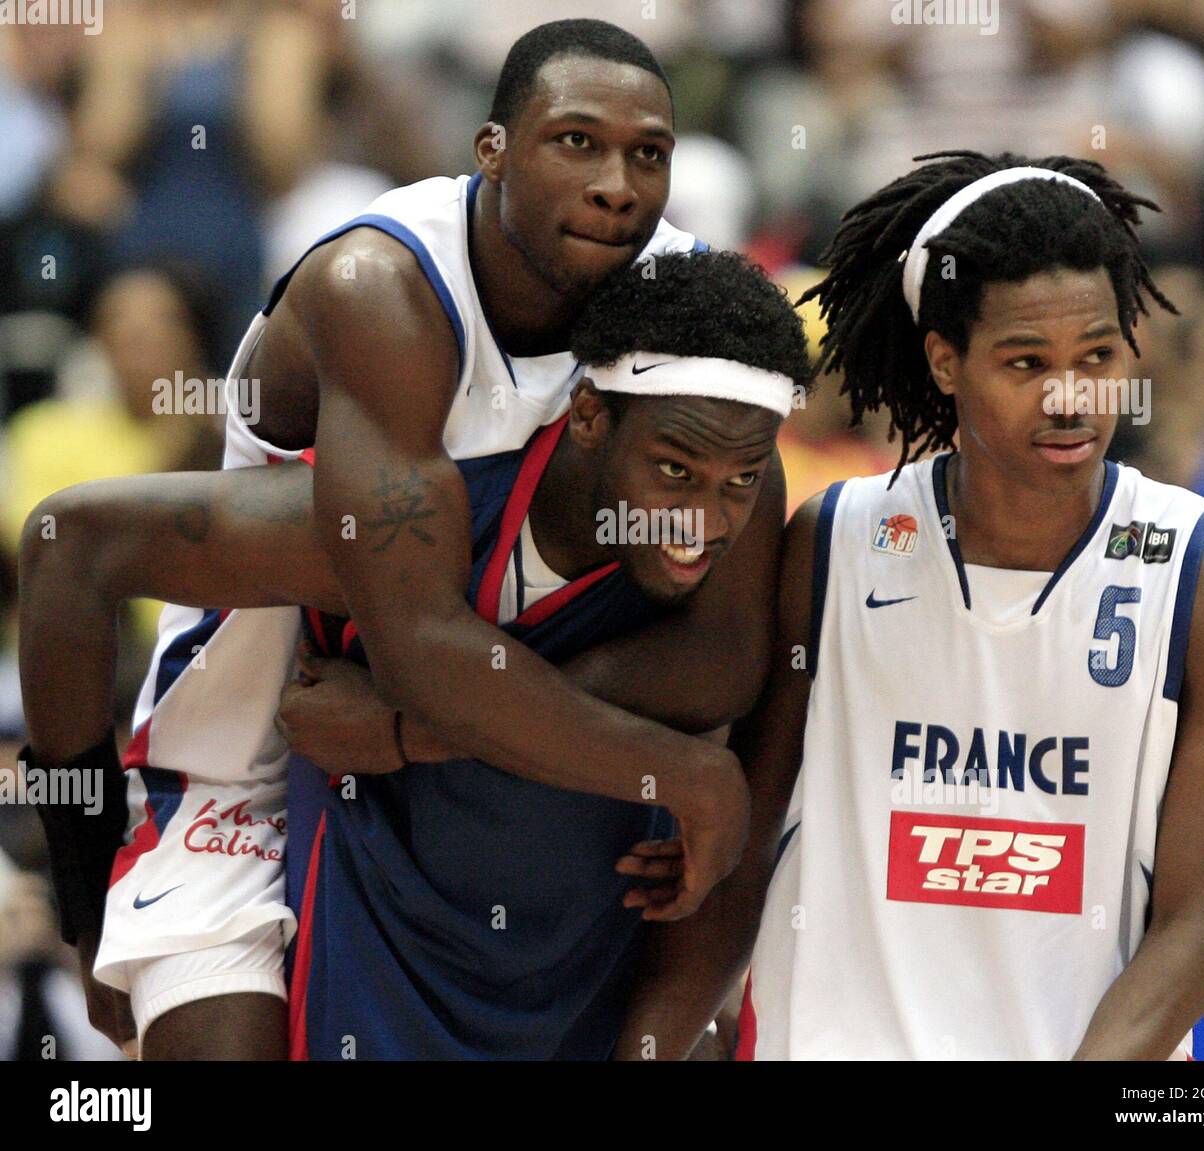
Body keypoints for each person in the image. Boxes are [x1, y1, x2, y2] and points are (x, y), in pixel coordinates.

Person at [20, 20, 785, 1059]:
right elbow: (418, 640)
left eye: (647, 153)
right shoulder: (380, 291)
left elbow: (723, 655)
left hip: (467, 706)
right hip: (271, 689)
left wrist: (415, 732)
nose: (617, 183)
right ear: (491, 151)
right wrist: (83, 886)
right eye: (576, 142)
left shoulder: (688, 308)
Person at [613, 152, 1204, 1061]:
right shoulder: (833, 542)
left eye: (1097, 354)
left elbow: (1201, 922)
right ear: (945, 360)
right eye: (1026, 362)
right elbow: (746, 850)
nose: (1070, 397)